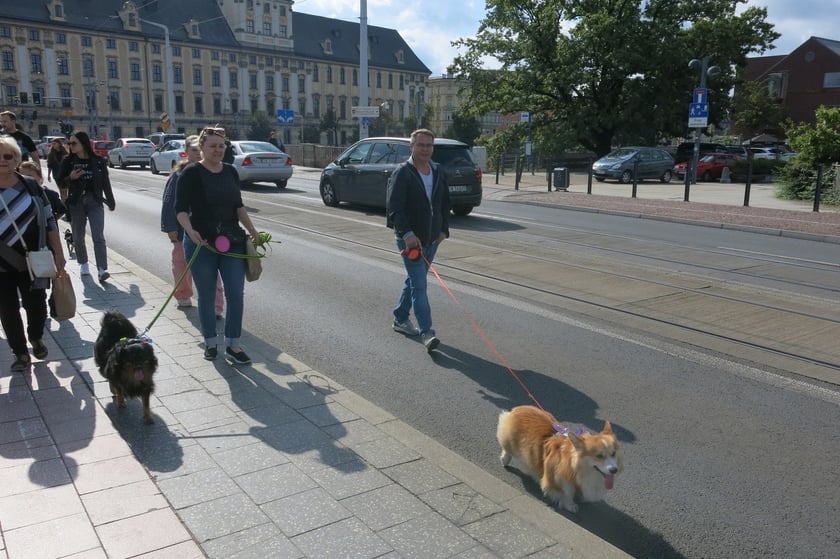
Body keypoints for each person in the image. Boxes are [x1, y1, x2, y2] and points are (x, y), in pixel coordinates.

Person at [175, 126, 260, 364]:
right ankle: (211, 342)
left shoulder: (231, 172)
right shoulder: (191, 172)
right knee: (207, 294)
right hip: (202, 243)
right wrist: (190, 231)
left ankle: (233, 344)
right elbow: (180, 209)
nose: (218, 150)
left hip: (232, 241)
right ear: (201, 147)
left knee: (236, 293)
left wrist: (253, 232)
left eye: (221, 146)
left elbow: (238, 206)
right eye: (212, 146)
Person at [0, 137, 66, 371]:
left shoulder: (30, 185)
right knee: (7, 310)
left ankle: (36, 337)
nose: (2, 161)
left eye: (7, 156)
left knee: (36, 306)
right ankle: (20, 353)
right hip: (1, 265)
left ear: (16, 159)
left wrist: (58, 252)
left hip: (33, 259)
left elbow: (49, 221)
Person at [386, 128, 450, 353]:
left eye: (429, 145)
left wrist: (444, 231)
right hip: (411, 241)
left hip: (431, 239)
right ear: (411, 147)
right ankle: (427, 332)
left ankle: (400, 318)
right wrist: (407, 234)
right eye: (421, 145)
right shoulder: (403, 172)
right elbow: (395, 208)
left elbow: (444, 202)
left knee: (415, 280)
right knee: (420, 286)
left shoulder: (438, 170)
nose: (425, 149)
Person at [161, 135, 224, 316]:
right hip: (183, 231)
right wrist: (170, 227)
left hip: (209, 231)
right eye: (194, 150)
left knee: (212, 268)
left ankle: (216, 306)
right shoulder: (179, 175)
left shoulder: (214, 172)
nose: (198, 153)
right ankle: (183, 294)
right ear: (186, 152)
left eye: (199, 149)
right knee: (182, 264)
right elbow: (169, 202)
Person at [57, 131, 115, 282]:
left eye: (74, 143)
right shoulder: (68, 161)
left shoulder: (98, 161)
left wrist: (110, 200)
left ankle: (102, 269)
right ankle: (83, 264)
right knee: (78, 235)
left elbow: (105, 182)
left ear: (83, 143)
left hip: (95, 201)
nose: (71, 146)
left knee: (98, 236)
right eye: (69, 143)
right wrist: (71, 177)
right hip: (76, 202)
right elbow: (61, 182)